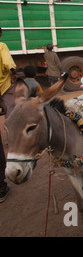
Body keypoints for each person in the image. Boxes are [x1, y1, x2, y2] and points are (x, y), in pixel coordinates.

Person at [0, 26, 16, 203]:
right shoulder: (1, 46)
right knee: (10, 113)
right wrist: (13, 73)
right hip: (3, 87)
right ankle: (12, 139)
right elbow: (8, 63)